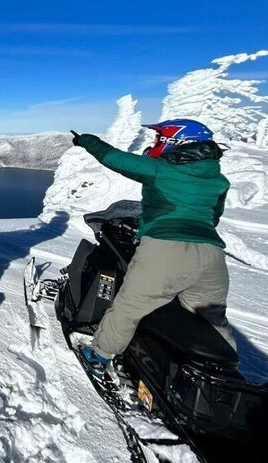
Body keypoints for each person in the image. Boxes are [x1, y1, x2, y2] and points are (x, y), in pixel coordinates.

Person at [70, 119, 233, 377]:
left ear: (175, 142)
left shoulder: (160, 169)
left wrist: (86, 140)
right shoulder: (218, 179)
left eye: (159, 138)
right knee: (212, 319)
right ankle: (223, 375)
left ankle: (100, 356)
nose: (154, 143)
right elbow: (214, 217)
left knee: (130, 306)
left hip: (165, 248)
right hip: (212, 254)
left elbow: (113, 158)